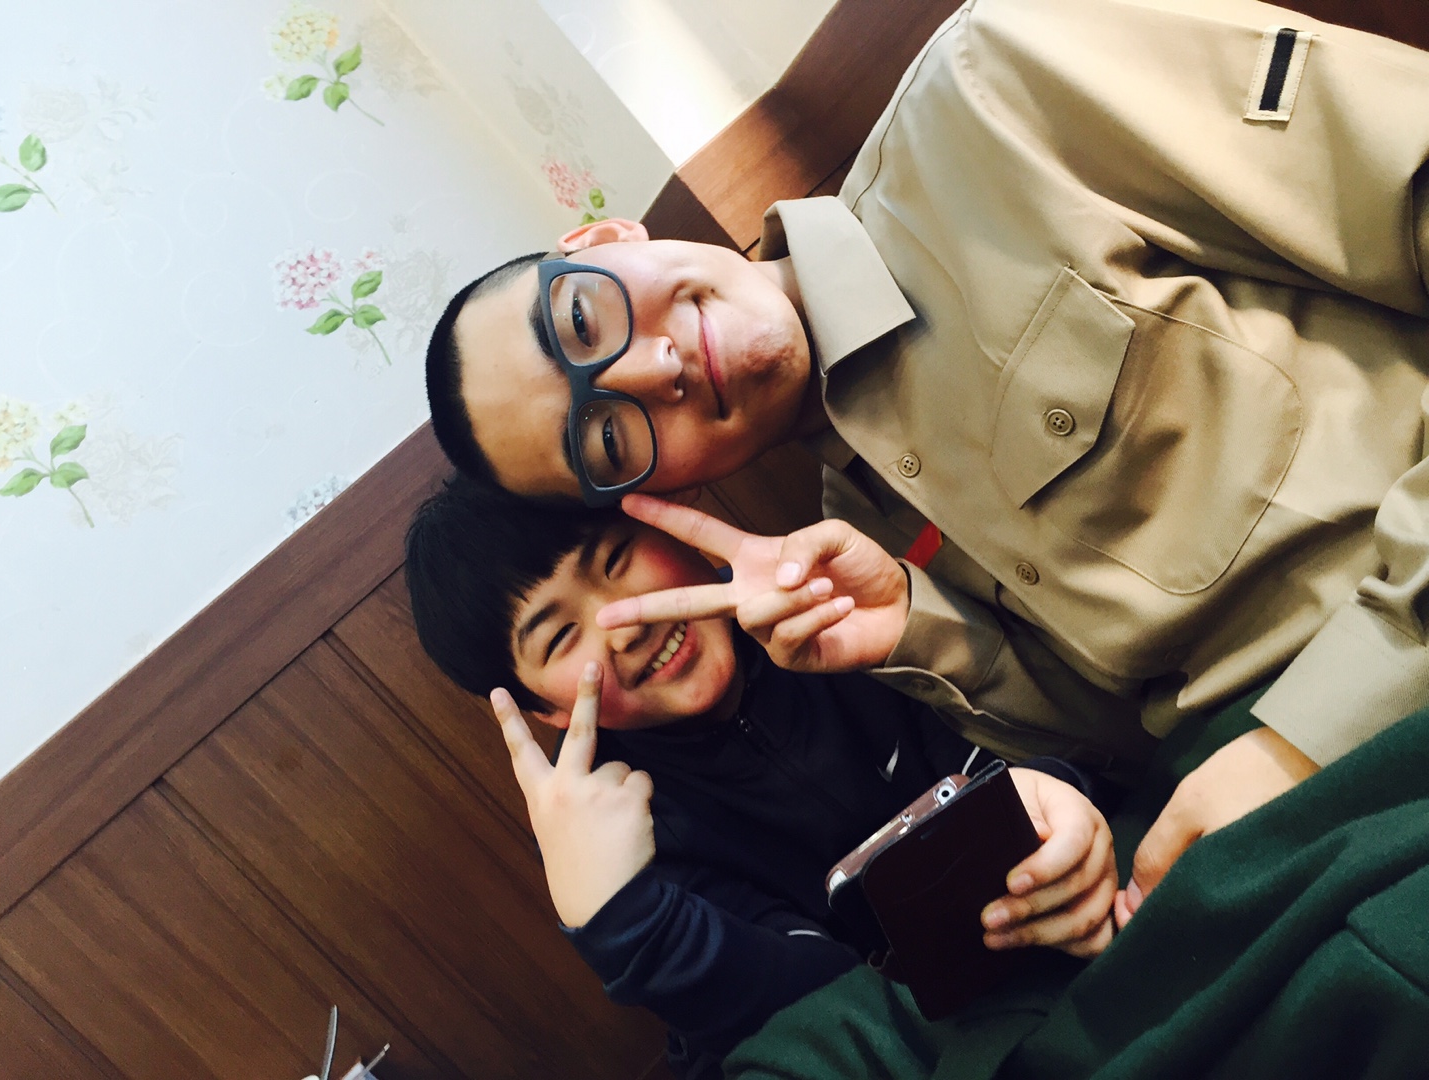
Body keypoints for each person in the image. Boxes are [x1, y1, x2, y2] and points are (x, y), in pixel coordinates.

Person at [423, 0, 1429, 917]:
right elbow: (1124, 744)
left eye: (584, 319)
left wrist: (1298, 742)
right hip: (1285, 835)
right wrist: (918, 626)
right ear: (656, 481)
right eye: (607, 434)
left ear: (604, 237)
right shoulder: (859, 538)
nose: (656, 367)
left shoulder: (994, 92)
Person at [402, 477, 1118, 1075]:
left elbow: (1020, 755)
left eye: (616, 558)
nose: (625, 625)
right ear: (545, 709)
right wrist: (627, 924)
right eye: (561, 635)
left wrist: (1060, 793)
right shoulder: (607, 823)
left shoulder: (817, 597)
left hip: (1052, 937)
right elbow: (824, 1012)